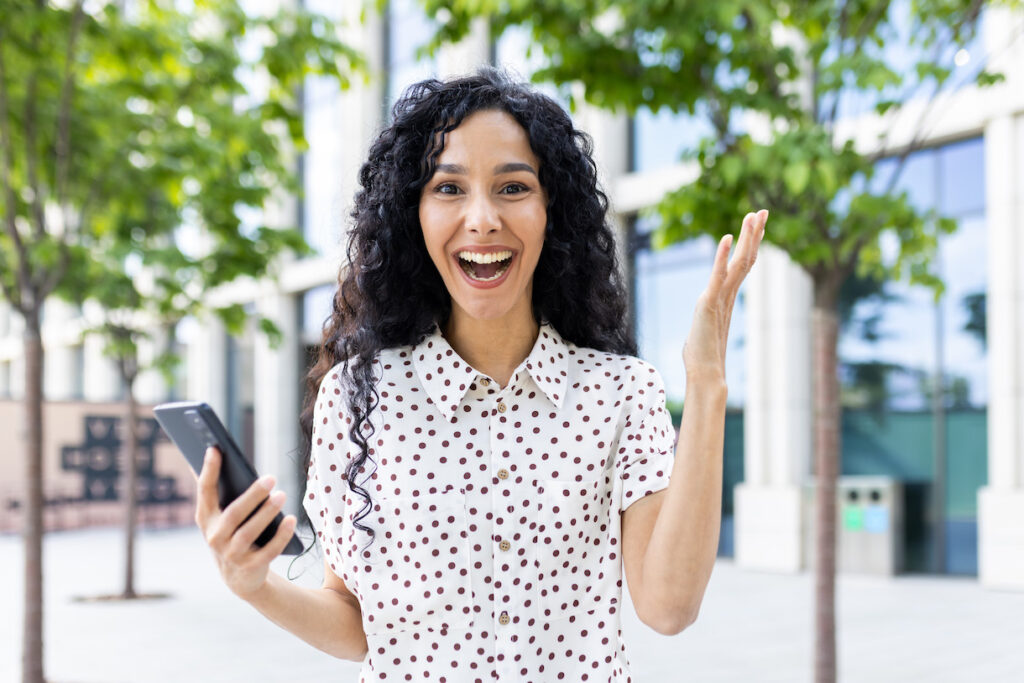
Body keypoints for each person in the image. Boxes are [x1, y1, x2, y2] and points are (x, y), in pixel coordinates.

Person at [193, 68, 766, 682]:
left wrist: (706, 383)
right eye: (448, 189)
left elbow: (669, 607)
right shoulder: (359, 397)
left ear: (553, 213)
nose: (483, 218)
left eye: (513, 187)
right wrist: (254, 585)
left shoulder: (619, 392)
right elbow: (358, 622)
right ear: (413, 217)